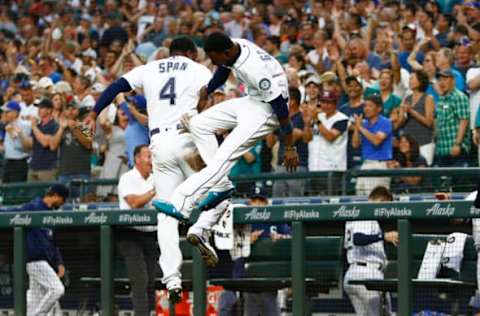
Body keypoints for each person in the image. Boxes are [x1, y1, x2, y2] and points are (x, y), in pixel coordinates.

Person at [85, 36, 225, 303]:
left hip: (159, 144)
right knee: (219, 192)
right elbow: (208, 96)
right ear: (190, 53)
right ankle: (201, 230)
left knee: (165, 214)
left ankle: (171, 277)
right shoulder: (197, 68)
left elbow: (115, 85)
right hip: (187, 139)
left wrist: (93, 114)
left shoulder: (151, 68)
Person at [152, 32, 298, 266]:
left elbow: (282, 111)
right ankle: (221, 186)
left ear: (227, 52)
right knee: (199, 124)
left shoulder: (254, 69)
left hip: (269, 112)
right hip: (252, 101)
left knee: (222, 159)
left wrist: (289, 146)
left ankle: (182, 203)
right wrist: (208, 90)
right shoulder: (234, 47)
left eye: (216, 57)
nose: (215, 62)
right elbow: (223, 68)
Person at [0, 184, 69, 316]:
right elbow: (12, 212)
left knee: (35, 301)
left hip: (45, 262)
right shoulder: (33, 207)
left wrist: (59, 262)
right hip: (34, 261)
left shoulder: (52, 215)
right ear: (55, 195)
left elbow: (54, 243)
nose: (63, 203)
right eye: (63, 199)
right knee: (57, 289)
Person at [343, 186, 399, 316]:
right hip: (367, 274)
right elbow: (358, 238)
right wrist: (383, 236)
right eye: (386, 206)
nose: (385, 212)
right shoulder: (366, 212)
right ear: (381, 201)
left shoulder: (357, 212)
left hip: (355, 273)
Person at [117, 145, 159, 316]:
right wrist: (155, 191)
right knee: (140, 279)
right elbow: (134, 203)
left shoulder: (157, 177)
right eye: (148, 156)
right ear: (137, 159)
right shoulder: (127, 178)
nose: (152, 161)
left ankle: (150, 313)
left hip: (150, 234)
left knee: (151, 279)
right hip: (129, 234)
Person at [308, 90, 348, 194]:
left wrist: (316, 120)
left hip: (333, 169)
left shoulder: (342, 119)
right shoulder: (318, 117)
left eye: (329, 102)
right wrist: (307, 122)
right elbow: (307, 138)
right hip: (314, 167)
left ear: (335, 103)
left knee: (332, 202)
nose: (326, 105)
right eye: (324, 102)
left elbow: (330, 137)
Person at [272, 87, 310, 197]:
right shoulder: (279, 118)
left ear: (292, 101)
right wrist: (270, 124)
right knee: (276, 202)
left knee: (295, 204)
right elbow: (270, 143)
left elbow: (293, 138)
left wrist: (282, 132)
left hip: (297, 165)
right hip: (280, 165)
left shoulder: (302, 117)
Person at [352, 94, 393, 196]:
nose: (366, 109)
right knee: (360, 198)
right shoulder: (364, 123)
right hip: (365, 163)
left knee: (377, 199)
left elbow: (376, 141)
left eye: (370, 106)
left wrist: (360, 128)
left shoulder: (385, 122)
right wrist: (357, 128)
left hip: (379, 165)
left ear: (379, 108)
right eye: (365, 106)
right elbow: (355, 144)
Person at [50, 104, 92, 198]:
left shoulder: (85, 126)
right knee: (63, 204)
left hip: (83, 171)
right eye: (67, 109)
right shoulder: (58, 127)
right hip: (65, 172)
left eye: (73, 109)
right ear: (64, 111)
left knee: (83, 203)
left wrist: (74, 128)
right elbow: (52, 146)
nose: (70, 111)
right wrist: (61, 128)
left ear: (77, 111)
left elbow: (88, 144)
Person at [434, 69, 471, 167]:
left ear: (453, 81)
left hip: (456, 148)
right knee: (443, 180)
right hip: (442, 148)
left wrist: (457, 144)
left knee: (458, 181)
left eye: (445, 79)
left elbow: (464, 121)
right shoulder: (441, 98)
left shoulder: (459, 97)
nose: (442, 82)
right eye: (440, 80)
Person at [28, 99, 59, 181]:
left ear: (49, 110)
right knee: (30, 193)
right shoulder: (37, 126)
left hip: (47, 167)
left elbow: (45, 143)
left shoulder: (54, 126)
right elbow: (30, 144)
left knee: (47, 193)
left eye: (41, 108)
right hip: (34, 165)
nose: (39, 110)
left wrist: (34, 127)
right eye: (38, 108)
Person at [1, 101, 31, 183]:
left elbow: (23, 147)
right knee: (5, 191)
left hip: (19, 163)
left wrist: (12, 134)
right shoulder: (8, 125)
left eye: (7, 112)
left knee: (16, 191)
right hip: (8, 162)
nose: (4, 114)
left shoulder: (25, 125)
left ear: (15, 113)